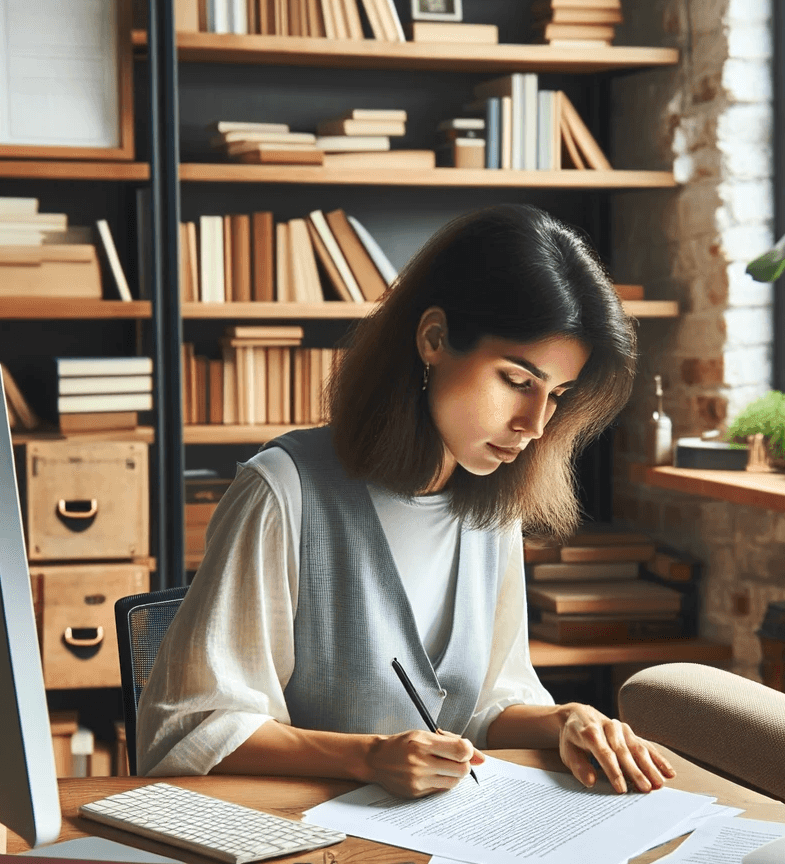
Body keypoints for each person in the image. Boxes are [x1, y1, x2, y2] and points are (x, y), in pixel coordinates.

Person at [137, 205, 674, 799]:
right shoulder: (282, 492)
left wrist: (563, 719)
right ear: (434, 339)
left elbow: (486, 705)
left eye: (557, 395)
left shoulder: (493, 510)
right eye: (518, 382)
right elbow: (190, 730)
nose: (534, 424)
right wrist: (369, 758)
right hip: (307, 857)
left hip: (450, 851)